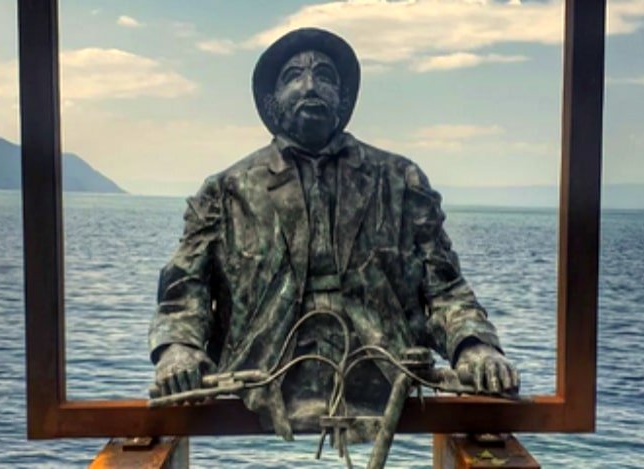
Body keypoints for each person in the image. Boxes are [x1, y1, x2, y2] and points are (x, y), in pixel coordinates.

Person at [148, 27, 518, 441]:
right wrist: (177, 350)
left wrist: (474, 346)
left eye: (323, 75)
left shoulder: (400, 179)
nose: (310, 86)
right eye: (294, 76)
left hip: (384, 374)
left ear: (342, 99)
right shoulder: (225, 191)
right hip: (261, 378)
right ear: (272, 101)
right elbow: (185, 289)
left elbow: (444, 287)